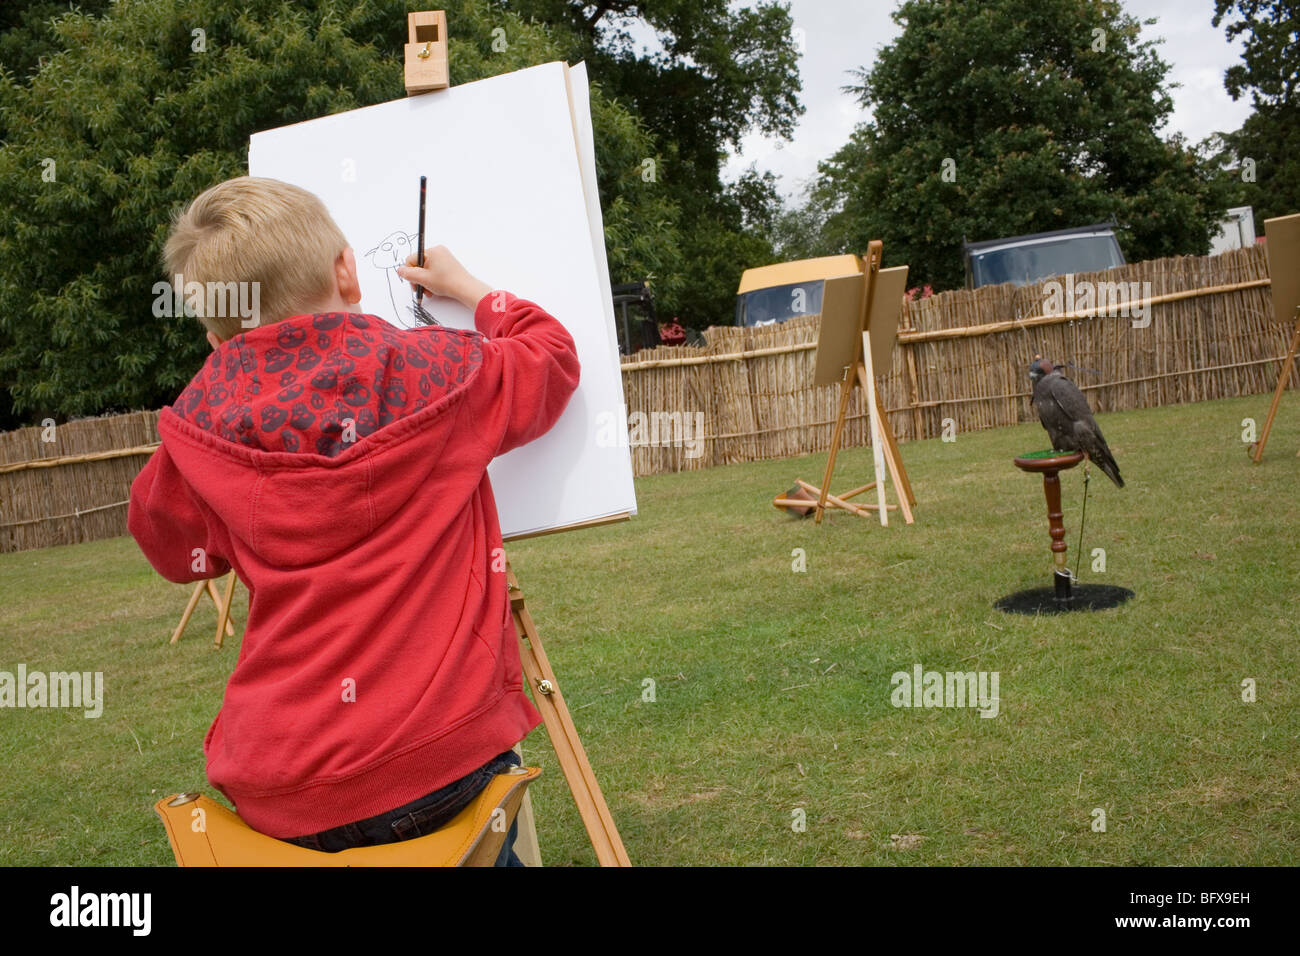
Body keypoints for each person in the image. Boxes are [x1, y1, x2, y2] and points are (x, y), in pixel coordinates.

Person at [129, 176, 579, 865]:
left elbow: (170, 548)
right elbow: (550, 357)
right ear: (346, 269)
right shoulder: (440, 370)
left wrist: (231, 370)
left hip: (282, 785)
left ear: (213, 323)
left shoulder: (197, 426)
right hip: (439, 758)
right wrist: (470, 291)